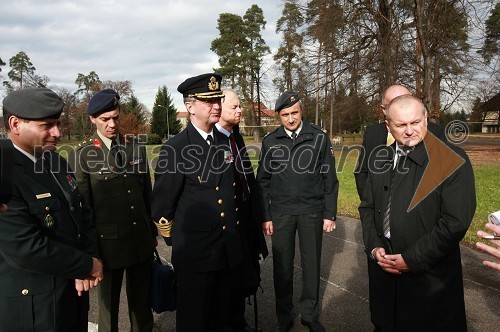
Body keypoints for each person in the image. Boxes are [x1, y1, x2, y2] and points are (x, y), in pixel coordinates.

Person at [359, 94, 476, 331]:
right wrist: (374, 246)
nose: (410, 130)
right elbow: (368, 207)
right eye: (401, 125)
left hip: (430, 282)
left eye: (416, 122)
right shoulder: (380, 157)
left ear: (426, 118)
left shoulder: (449, 159)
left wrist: (411, 260)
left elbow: (455, 222)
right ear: (388, 126)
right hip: (385, 279)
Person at [0, 88, 103, 331]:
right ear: (15, 124)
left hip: (72, 293)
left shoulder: (54, 160)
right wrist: (86, 265)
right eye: (47, 125)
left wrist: (87, 260)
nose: (57, 133)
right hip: (35, 306)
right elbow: (24, 247)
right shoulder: (4, 171)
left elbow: (81, 212)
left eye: (58, 124)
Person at [151, 73, 244, 332]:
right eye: (208, 101)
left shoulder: (224, 142)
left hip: (225, 252)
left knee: (220, 321)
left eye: (217, 99)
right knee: (194, 322)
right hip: (195, 255)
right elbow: (161, 206)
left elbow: (228, 193)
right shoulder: (176, 148)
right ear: (190, 107)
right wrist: (179, 241)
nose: (216, 105)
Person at [68, 89, 156, 332]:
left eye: (115, 117)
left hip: (140, 241)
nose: (112, 124)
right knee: (108, 312)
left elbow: (146, 194)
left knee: (142, 306)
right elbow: (83, 210)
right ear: (93, 119)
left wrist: (151, 233)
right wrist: (91, 252)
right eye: (105, 119)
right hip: (108, 246)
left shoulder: (134, 146)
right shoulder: (84, 154)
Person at [256, 91, 339, 332]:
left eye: (294, 113)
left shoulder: (319, 138)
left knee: (311, 264)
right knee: (282, 267)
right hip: (281, 213)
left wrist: (329, 213)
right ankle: (284, 316)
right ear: (279, 116)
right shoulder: (270, 142)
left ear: (301, 111)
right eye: (285, 115)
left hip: (311, 211)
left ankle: (310, 314)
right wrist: (266, 216)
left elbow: (329, 178)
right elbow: (263, 181)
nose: (291, 119)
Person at [216, 88, 269, 332]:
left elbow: (247, 178)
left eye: (240, 107)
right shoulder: (213, 140)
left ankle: (238, 321)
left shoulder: (234, 135)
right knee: (226, 284)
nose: (240, 111)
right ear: (219, 107)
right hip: (228, 226)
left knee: (244, 276)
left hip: (246, 221)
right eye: (235, 107)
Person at [354, 84, 447, 200]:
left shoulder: (435, 133)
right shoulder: (372, 134)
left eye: (406, 100)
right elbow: (362, 172)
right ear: (384, 109)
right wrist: (371, 204)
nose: (402, 106)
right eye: (395, 102)